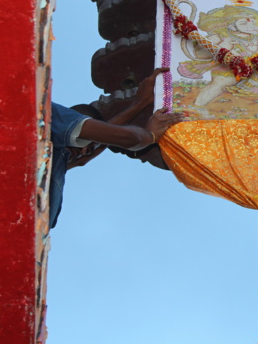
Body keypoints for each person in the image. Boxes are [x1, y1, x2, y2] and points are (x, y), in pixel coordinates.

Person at [49, 68, 184, 228]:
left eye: (86, 149)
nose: (84, 151)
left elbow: (90, 152)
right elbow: (129, 138)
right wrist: (150, 135)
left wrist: (139, 104)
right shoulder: (54, 118)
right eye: (82, 145)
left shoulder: (57, 164)